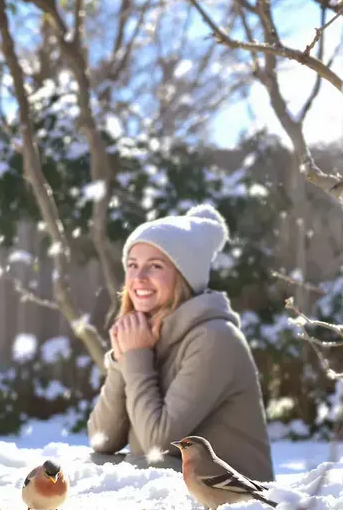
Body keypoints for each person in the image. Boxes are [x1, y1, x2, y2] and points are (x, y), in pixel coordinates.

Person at [86, 204, 274, 482]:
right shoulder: (146, 333)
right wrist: (121, 360)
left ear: (184, 276)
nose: (138, 278)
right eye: (133, 265)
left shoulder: (215, 338)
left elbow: (157, 446)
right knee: (88, 466)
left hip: (236, 499)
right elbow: (103, 441)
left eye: (155, 266)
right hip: (179, 481)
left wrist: (136, 357)